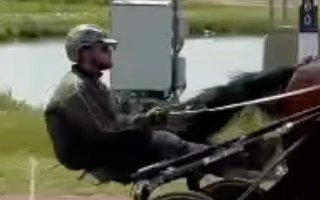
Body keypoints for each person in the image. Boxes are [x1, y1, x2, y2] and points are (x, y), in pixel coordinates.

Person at [43, 24, 207, 180]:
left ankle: (211, 161)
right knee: (165, 141)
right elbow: (106, 130)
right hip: (91, 154)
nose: (110, 51)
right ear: (85, 53)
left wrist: (147, 117)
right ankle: (218, 160)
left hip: (103, 145)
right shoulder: (77, 89)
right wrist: (146, 122)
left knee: (174, 132)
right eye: (104, 48)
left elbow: (117, 118)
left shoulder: (93, 83)